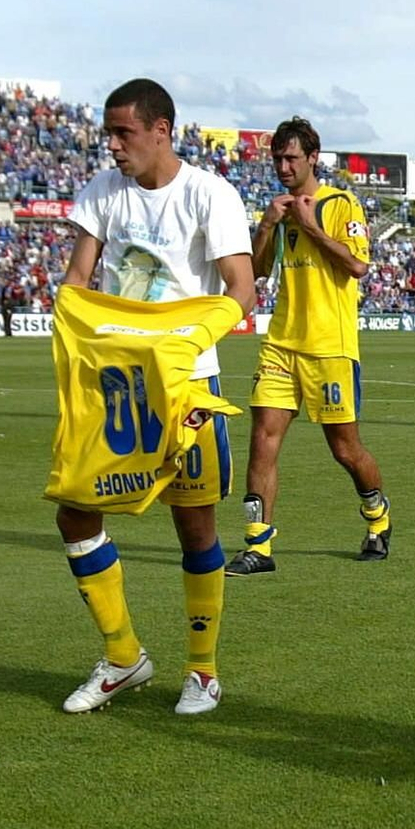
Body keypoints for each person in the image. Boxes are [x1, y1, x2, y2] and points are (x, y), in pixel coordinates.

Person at [53, 78, 255, 713]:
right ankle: (123, 657)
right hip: (116, 389)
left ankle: (203, 671)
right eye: (109, 134)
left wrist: (193, 334)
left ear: (161, 130)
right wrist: (69, 320)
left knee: (194, 527)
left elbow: (242, 289)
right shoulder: (101, 193)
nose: (113, 146)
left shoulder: (208, 193)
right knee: (75, 512)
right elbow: (77, 279)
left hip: (186, 383)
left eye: (124, 133)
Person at [225, 117, 392, 576]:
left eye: (291, 158)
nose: (282, 166)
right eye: (277, 158)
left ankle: (377, 516)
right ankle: (257, 547)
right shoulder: (277, 209)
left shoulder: (340, 204)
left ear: (313, 158)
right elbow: (257, 273)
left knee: (345, 450)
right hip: (281, 343)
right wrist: (266, 226)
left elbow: (358, 266)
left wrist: (310, 224)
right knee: (263, 440)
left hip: (330, 347)